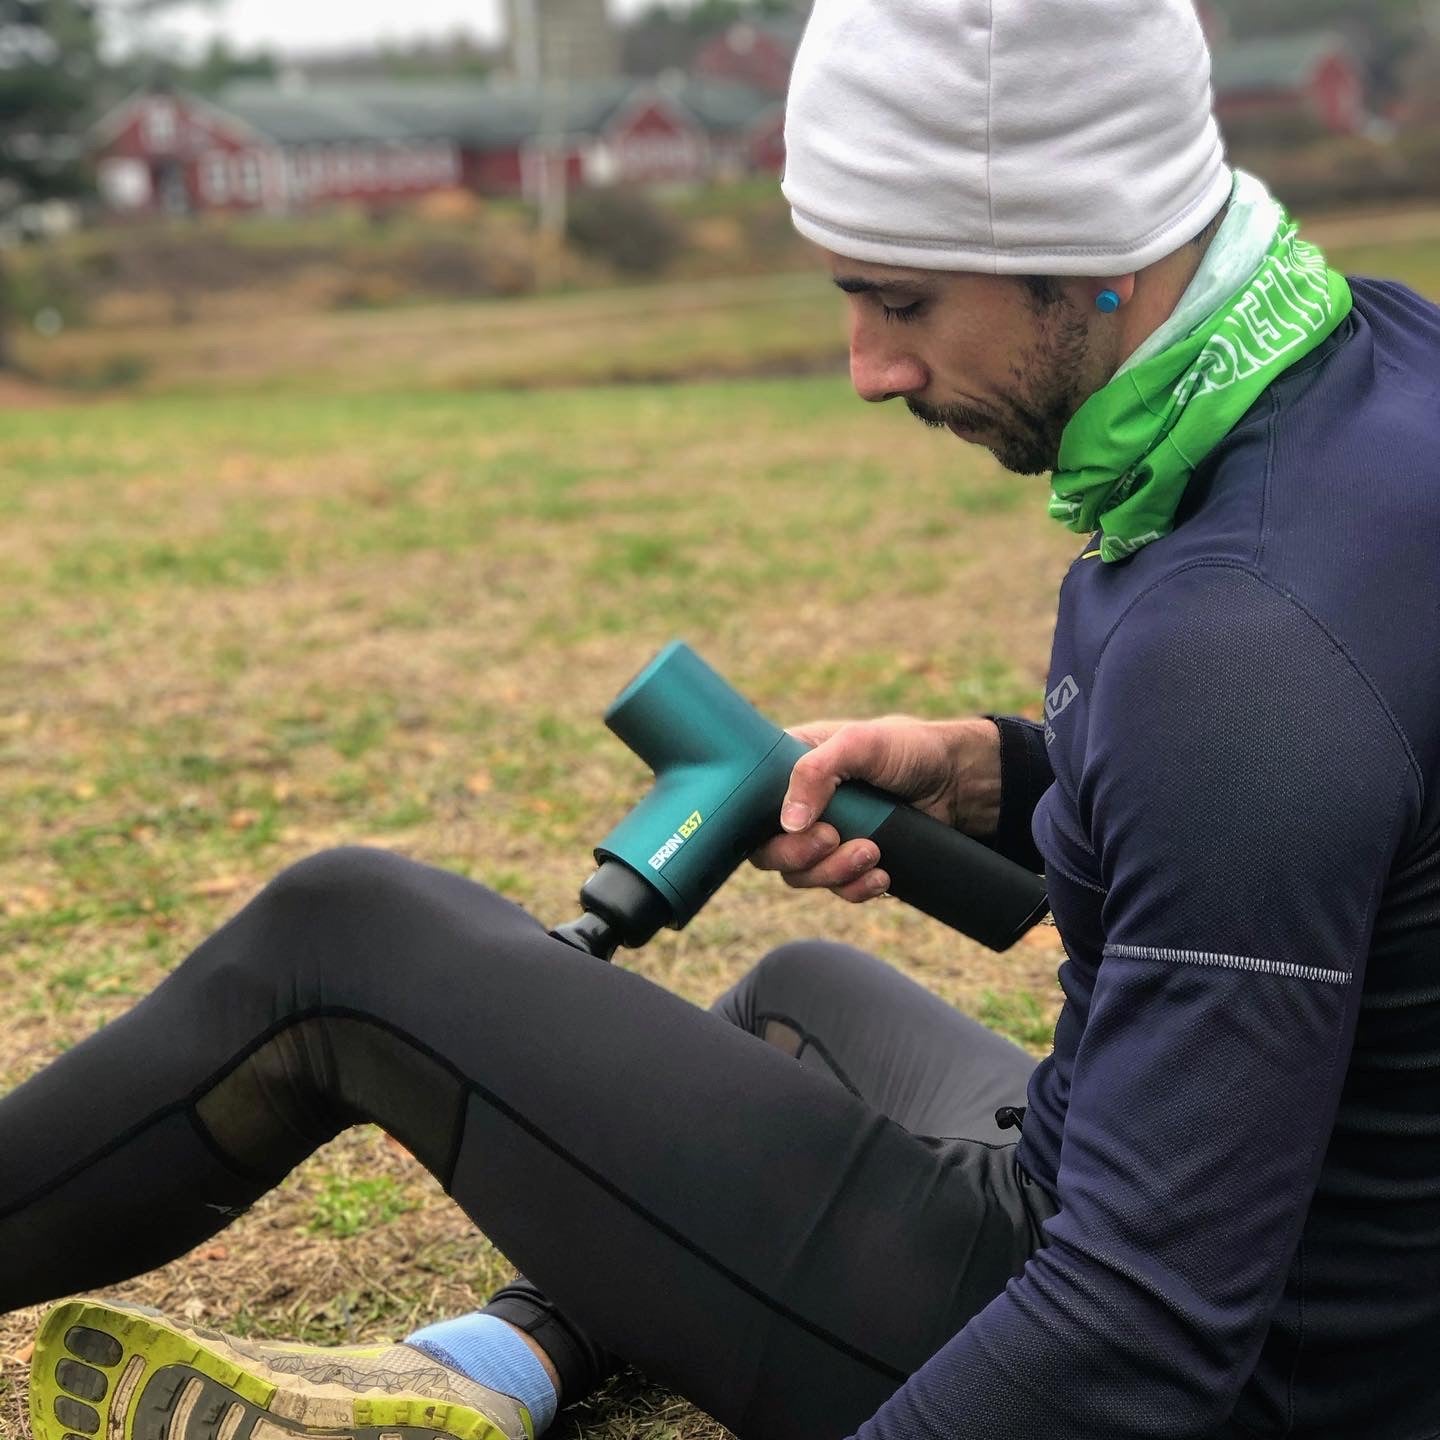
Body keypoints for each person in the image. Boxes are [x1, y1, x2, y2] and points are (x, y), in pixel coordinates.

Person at [7, 0, 1440, 1436]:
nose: (869, 367)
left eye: (901, 301)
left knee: (340, 943)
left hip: (1195, 1356)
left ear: (1095, 245)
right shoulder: (1369, 363)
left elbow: (1143, 1332)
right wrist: (991, 773)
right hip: (1275, 1213)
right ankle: (501, 1365)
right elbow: (1333, 802)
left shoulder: (1242, 649)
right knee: (796, 1006)